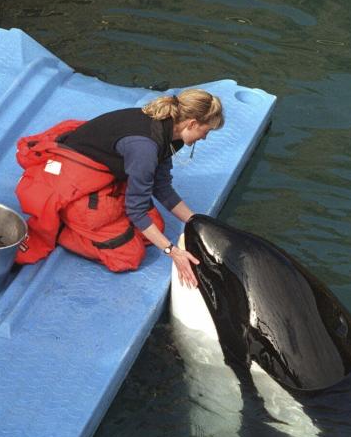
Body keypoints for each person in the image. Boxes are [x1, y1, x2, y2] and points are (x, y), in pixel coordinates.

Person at [14, 88, 224, 288]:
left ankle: (84, 220)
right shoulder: (145, 148)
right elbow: (136, 210)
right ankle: (62, 226)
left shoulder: (169, 131)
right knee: (127, 255)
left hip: (105, 174)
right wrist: (173, 252)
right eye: (206, 132)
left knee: (154, 228)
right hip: (71, 180)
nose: (204, 138)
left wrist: (197, 222)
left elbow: (162, 187)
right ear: (192, 123)